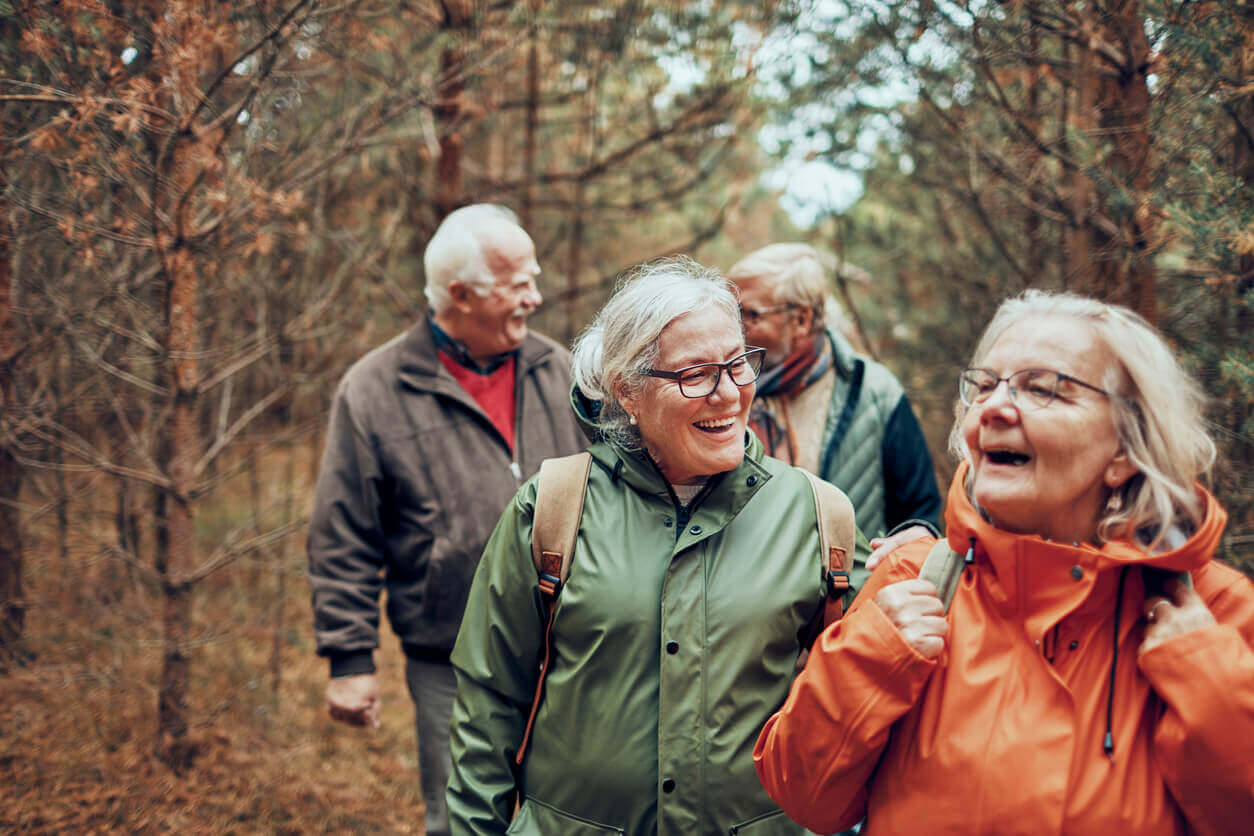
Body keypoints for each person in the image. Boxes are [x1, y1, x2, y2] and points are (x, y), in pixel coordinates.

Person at [754, 289, 1254, 834]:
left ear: (1123, 448)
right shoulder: (913, 583)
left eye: (1043, 389)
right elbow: (804, 796)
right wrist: (868, 659)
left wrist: (1203, 675)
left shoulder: (1215, 612)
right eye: (985, 386)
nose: (993, 407)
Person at [445, 258, 861, 834]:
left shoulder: (817, 515)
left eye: (737, 364)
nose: (728, 394)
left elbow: (862, 705)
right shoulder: (554, 507)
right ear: (628, 392)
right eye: (695, 374)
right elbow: (487, 709)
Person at [307, 204, 586, 836]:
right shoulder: (374, 389)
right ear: (460, 295)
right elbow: (344, 533)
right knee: (465, 819)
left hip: (573, 646)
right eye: (518, 285)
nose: (535, 299)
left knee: (572, 815)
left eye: (534, 280)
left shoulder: (561, 371)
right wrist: (350, 658)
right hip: (450, 655)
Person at [728, 243, 941, 568]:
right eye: (732, 312)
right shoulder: (722, 389)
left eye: (750, 315)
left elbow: (919, 518)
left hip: (850, 594)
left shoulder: (875, 393)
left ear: (801, 320)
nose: (735, 327)